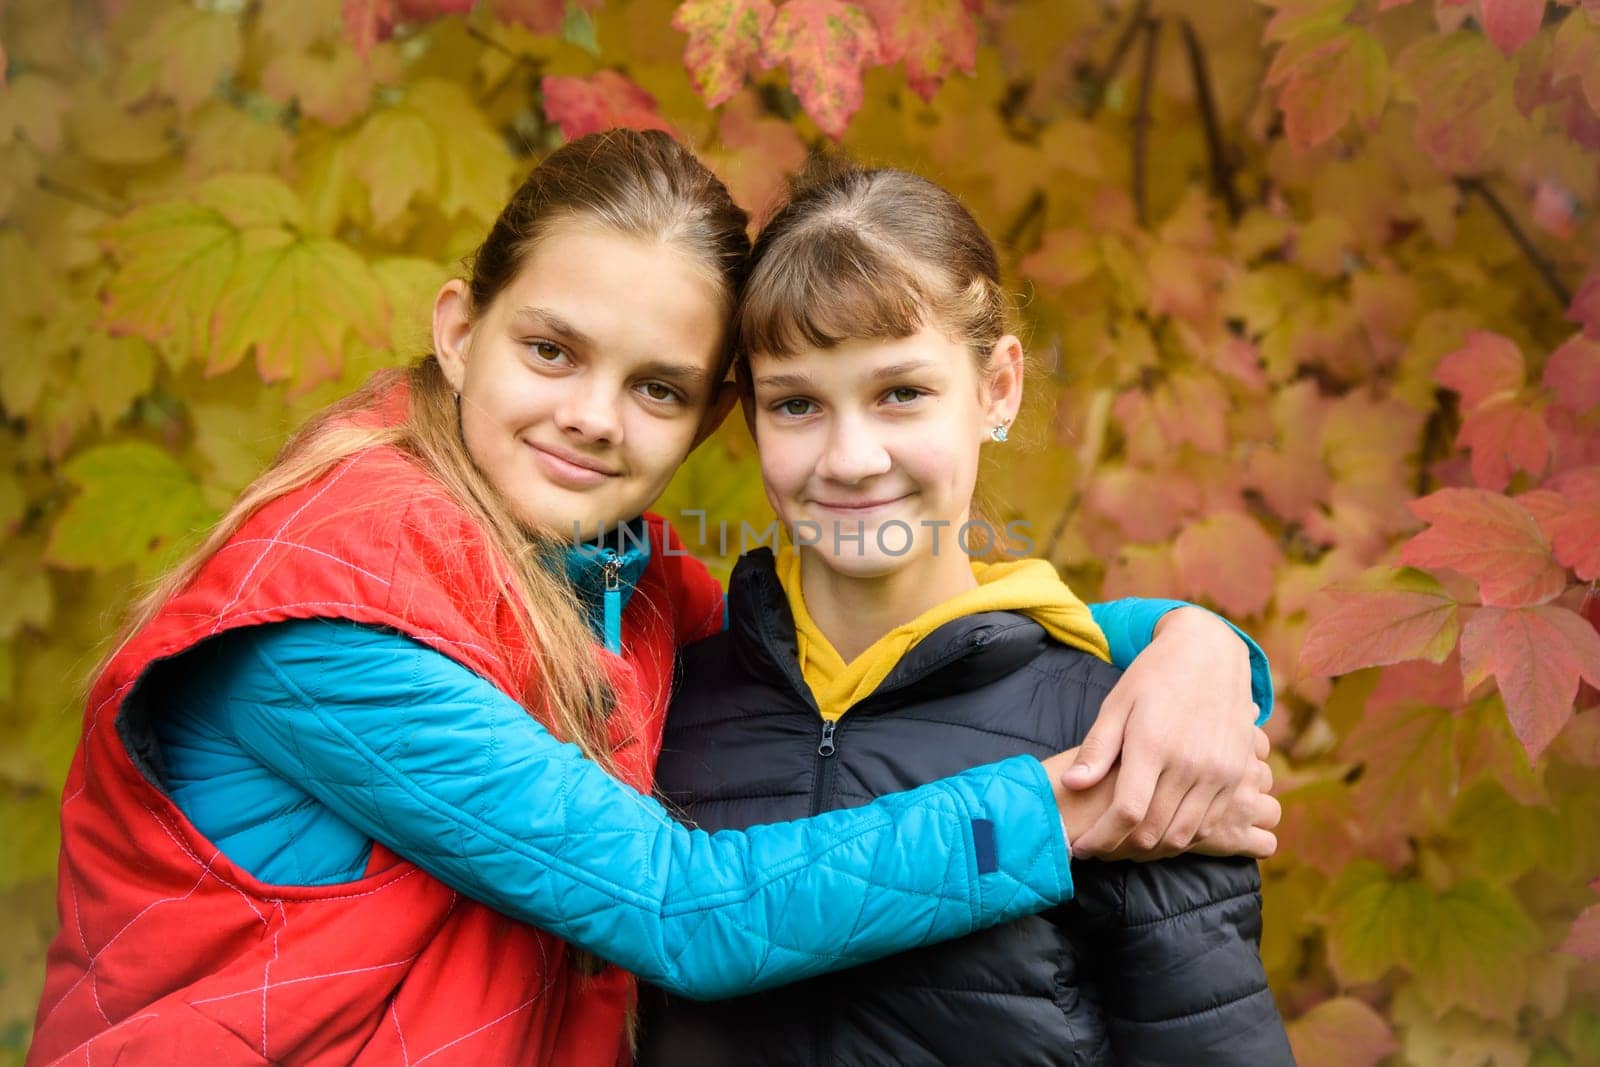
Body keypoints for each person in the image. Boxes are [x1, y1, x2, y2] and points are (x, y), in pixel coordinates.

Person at [29, 131, 1273, 1067]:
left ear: (704, 416)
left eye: (658, 388)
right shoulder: (328, 623)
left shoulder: (599, 582)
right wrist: (1070, 803)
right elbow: (681, 908)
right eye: (552, 350)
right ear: (460, 327)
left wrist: (1191, 646)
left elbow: (897, 648)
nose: (590, 416)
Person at [642, 163, 1291, 1064]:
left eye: (901, 392)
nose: (853, 457)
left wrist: (1204, 640)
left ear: (997, 388)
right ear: (750, 418)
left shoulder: (1120, 730)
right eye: (798, 404)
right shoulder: (667, 699)